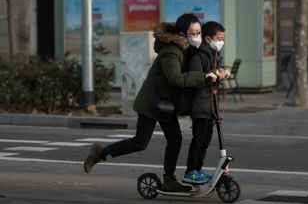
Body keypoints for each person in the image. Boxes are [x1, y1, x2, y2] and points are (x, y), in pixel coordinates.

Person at [83, 13, 226, 193]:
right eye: (194, 33)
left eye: (199, 32)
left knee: (175, 140)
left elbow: (200, 65)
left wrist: (217, 71)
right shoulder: (171, 51)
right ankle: (100, 153)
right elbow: (176, 79)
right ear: (182, 34)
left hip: (166, 103)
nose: (198, 36)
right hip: (151, 103)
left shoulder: (187, 49)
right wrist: (203, 77)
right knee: (140, 143)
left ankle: (169, 180)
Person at [183, 21, 229, 184]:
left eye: (223, 38)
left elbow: (215, 70)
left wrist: (222, 72)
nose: (221, 41)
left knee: (206, 140)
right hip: (199, 104)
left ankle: (198, 169)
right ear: (208, 39)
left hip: (210, 104)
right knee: (199, 139)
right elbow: (195, 77)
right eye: (219, 38)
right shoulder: (199, 55)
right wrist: (210, 75)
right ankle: (190, 171)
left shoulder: (215, 55)